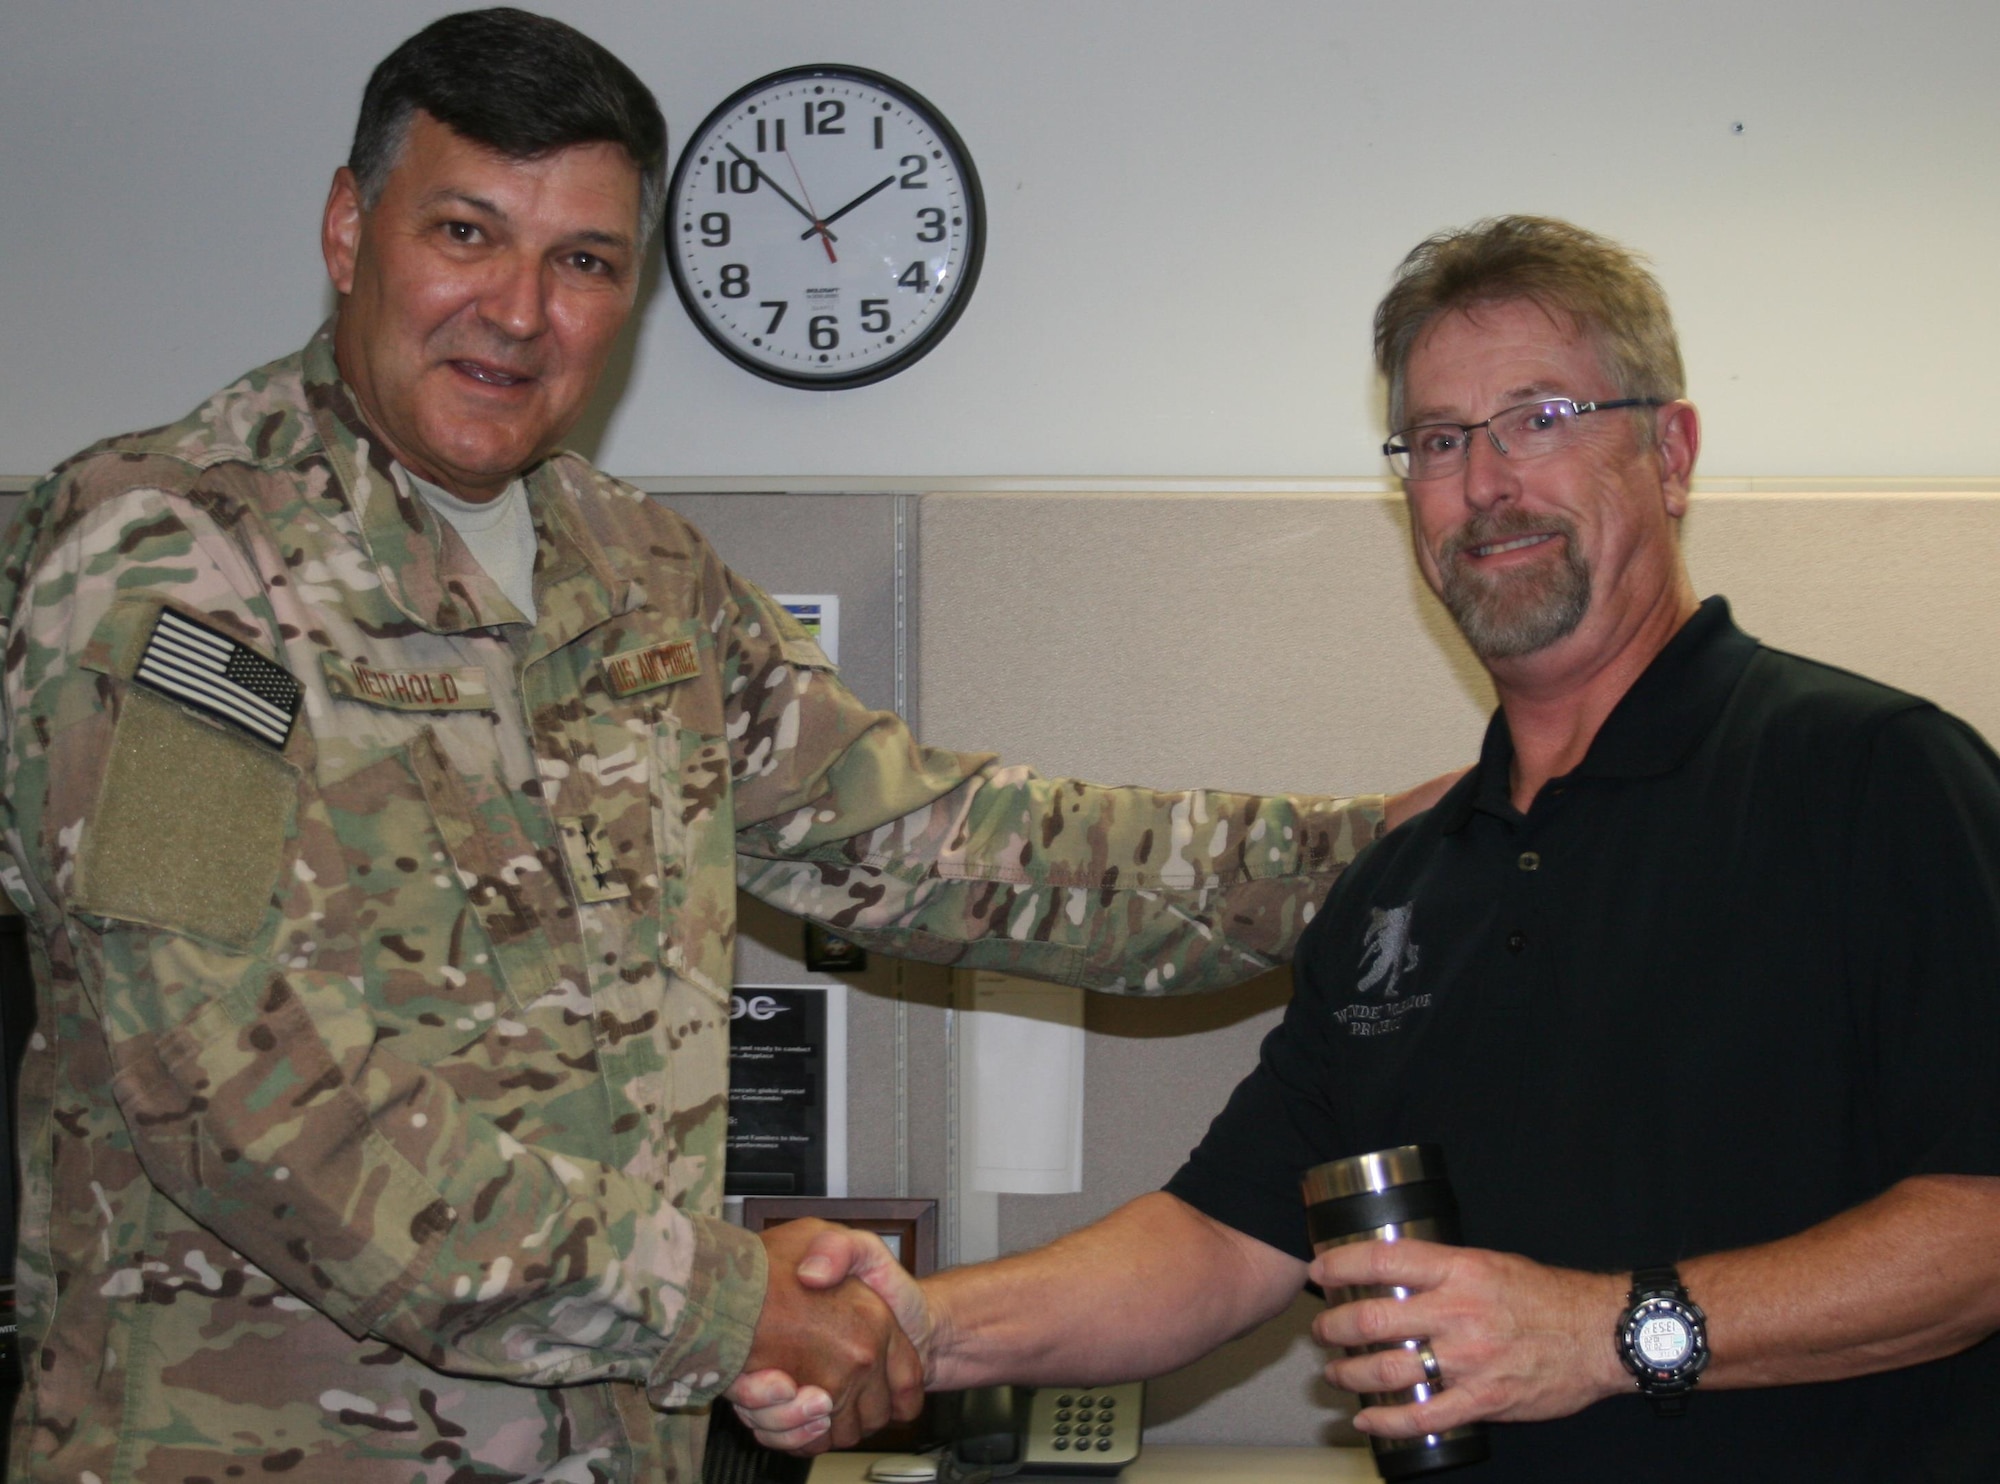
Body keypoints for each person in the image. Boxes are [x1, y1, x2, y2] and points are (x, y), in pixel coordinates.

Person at [0, 12, 1440, 1483]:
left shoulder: (638, 579)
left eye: (585, 262)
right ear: (348, 226)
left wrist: (1386, 855)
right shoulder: (175, 574)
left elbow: (939, 844)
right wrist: (728, 1301)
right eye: (465, 232)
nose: (516, 309)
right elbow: (238, 1097)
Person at [731, 216, 2000, 1481]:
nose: (1486, 481)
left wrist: (1612, 1330)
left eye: (1540, 416)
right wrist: (920, 1324)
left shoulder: (1872, 778)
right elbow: (1218, 1240)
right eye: (1439, 440)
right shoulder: (1407, 882)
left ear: (1668, 451)